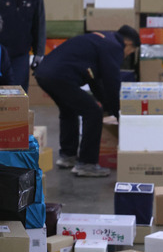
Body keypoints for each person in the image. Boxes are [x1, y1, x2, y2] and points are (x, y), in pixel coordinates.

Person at [32, 27, 140, 177]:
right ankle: (87, 164)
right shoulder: (114, 47)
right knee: (93, 112)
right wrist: (119, 114)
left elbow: (96, 81)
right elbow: (112, 83)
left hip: (44, 73)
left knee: (69, 109)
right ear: (128, 43)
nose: (127, 55)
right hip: (59, 77)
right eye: (131, 51)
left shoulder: (101, 39)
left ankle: (68, 156)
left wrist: (109, 107)